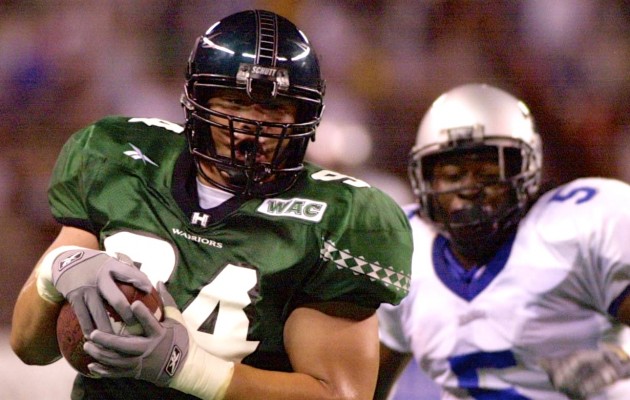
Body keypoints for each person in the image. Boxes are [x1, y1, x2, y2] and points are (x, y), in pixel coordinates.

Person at [10, 9, 413, 400]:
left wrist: (190, 371)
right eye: (233, 103)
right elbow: (29, 346)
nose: (251, 127)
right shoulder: (120, 160)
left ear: (305, 117)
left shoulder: (337, 217)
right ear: (196, 100)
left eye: (273, 108)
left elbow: (338, 394)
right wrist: (57, 270)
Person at [374, 83, 630, 400]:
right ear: (426, 180)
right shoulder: (404, 250)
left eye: (487, 173)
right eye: (453, 174)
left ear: (527, 170)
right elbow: (364, 386)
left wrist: (620, 359)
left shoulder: (581, 222)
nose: (469, 189)